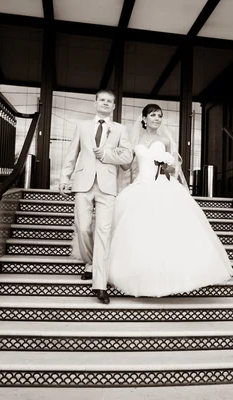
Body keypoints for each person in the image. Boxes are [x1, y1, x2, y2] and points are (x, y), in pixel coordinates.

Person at [107, 104, 233, 297]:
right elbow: (126, 167)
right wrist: (112, 154)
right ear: (144, 118)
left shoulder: (165, 140)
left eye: (159, 115)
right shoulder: (134, 140)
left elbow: (174, 169)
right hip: (141, 187)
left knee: (169, 230)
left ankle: (174, 278)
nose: (157, 119)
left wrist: (166, 166)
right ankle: (142, 276)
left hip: (163, 186)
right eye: (153, 115)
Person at [59, 89, 133, 304]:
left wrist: (108, 155)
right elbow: (72, 154)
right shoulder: (82, 127)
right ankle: (90, 263)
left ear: (114, 106)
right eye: (102, 100)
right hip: (83, 183)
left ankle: (99, 285)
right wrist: (65, 178)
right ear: (95, 103)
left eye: (110, 101)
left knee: (103, 232)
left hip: (108, 186)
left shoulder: (120, 129)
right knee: (83, 228)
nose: (105, 103)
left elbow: (128, 156)